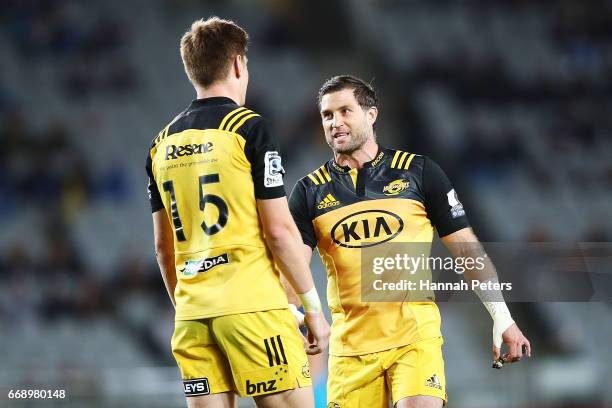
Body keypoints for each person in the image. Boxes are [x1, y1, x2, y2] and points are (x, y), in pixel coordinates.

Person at [288, 75, 531, 408]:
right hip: (351, 351)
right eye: (327, 115)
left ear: (371, 114)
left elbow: (466, 248)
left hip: (414, 338)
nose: (335, 122)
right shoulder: (308, 191)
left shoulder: (418, 172)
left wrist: (501, 315)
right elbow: (293, 266)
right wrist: (294, 312)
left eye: (345, 111)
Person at [145, 17, 329, 408]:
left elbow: (164, 250)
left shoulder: (160, 144)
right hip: (253, 308)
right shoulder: (249, 129)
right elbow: (279, 231)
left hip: (193, 315)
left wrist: (192, 309)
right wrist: (312, 308)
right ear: (238, 65)